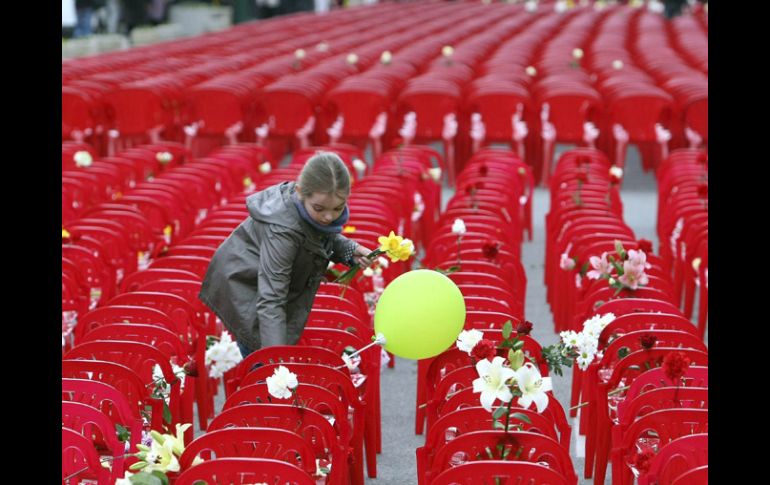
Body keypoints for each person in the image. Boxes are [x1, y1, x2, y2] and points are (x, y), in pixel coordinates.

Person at [199, 152, 373, 358]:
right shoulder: (281, 232)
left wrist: (349, 250)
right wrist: (276, 359)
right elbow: (271, 298)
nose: (329, 216)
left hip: (265, 284)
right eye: (320, 208)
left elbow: (315, 232)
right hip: (243, 287)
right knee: (259, 360)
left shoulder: (307, 209)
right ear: (300, 192)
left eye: (338, 208)